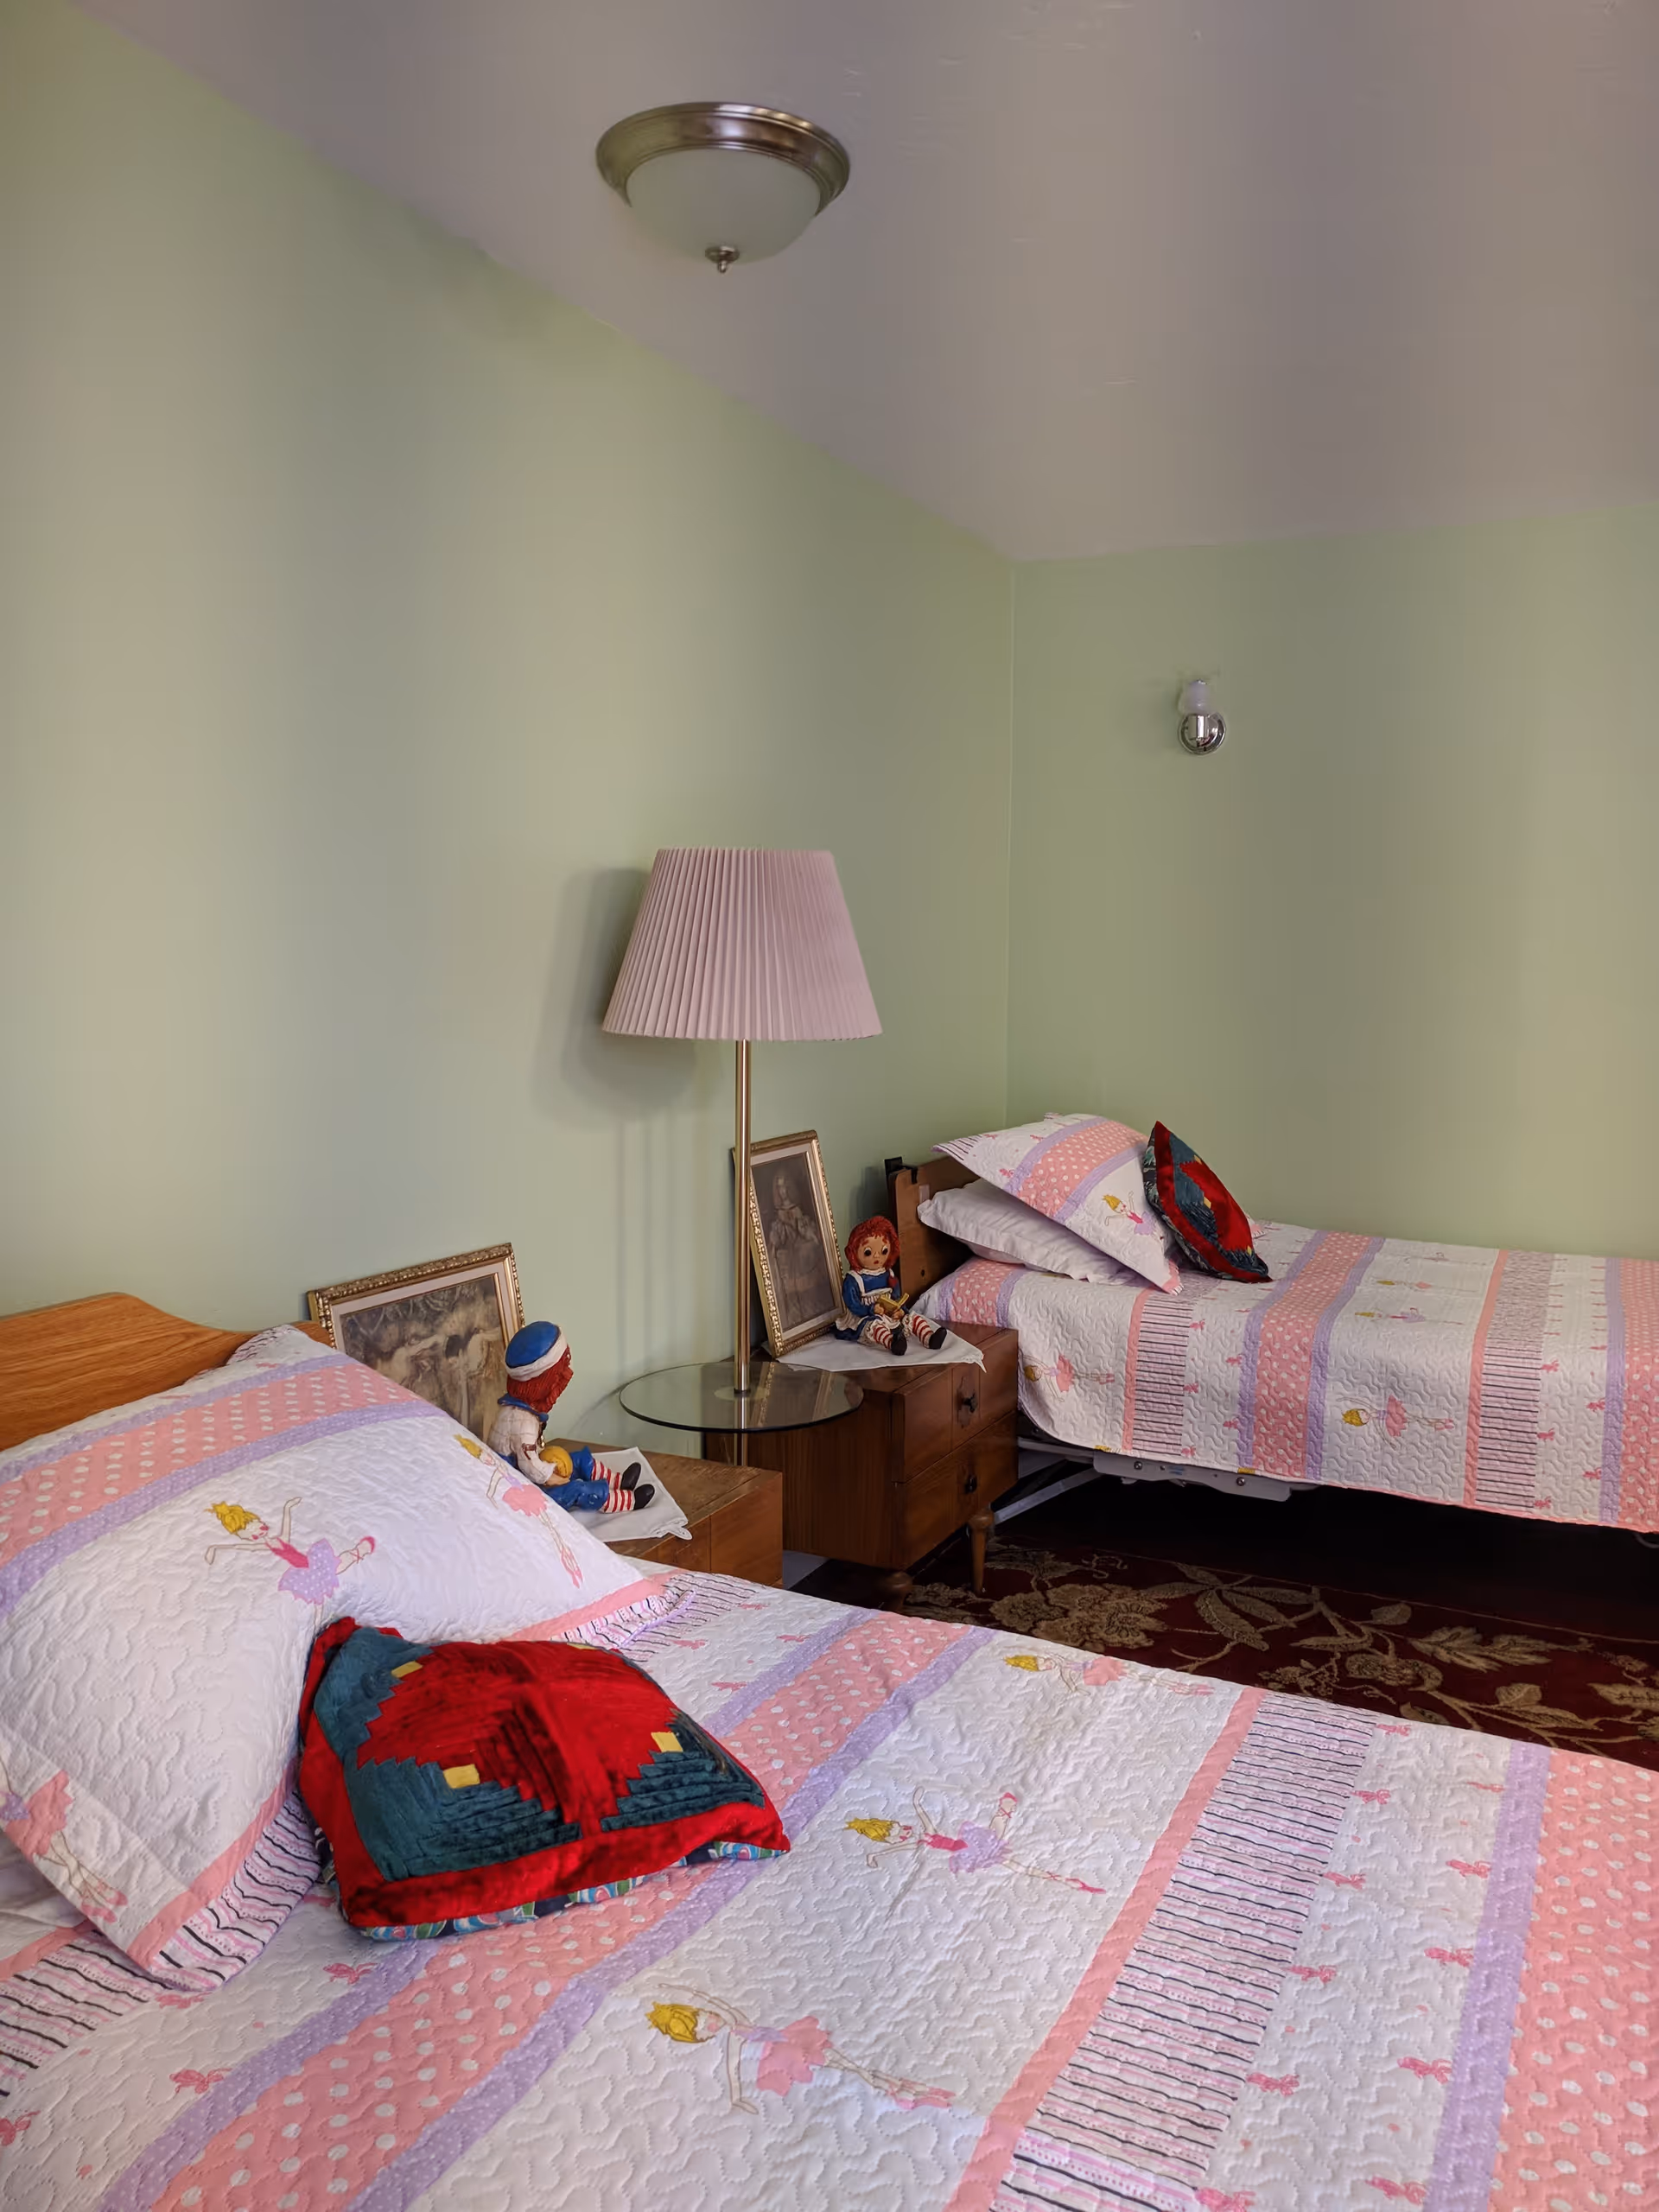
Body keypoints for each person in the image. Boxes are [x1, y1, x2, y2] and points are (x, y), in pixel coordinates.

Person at [835, 1216, 949, 1355]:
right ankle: (892, 1343)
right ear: (854, 1252)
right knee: (876, 1327)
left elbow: (895, 1297)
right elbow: (853, 1305)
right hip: (864, 1317)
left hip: (888, 1315)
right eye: (868, 1253)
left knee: (912, 1317)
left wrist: (899, 1310)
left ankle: (929, 1338)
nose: (877, 1256)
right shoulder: (854, 1279)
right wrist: (871, 1309)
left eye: (883, 1251)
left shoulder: (889, 1274)